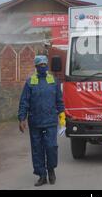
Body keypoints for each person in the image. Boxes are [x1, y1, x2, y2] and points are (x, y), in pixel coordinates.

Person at [18, 55, 66, 187]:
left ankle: (51, 170)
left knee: (51, 147)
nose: (43, 67)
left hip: (50, 121)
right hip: (35, 122)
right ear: (36, 67)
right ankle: (42, 175)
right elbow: (24, 102)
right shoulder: (30, 82)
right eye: (40, 65)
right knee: (37, 149)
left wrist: (62, 118)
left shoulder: (53, 81)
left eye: (45, 65)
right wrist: (22, 118)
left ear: (47, 66)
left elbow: (60, 102)